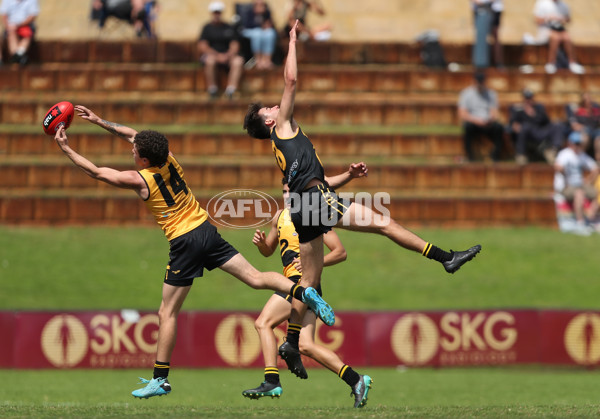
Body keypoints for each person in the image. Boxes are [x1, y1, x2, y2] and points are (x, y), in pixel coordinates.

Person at [243, 21, 482, 387]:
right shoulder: (283, 126)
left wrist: (348, 176)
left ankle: (291, 343)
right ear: (270, 121)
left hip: (309, 202)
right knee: (384, 225)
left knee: (308, 283)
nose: (275, 105)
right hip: (316, 201)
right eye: (269, 109)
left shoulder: (282, 144)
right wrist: (291, 41)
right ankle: (445, 258)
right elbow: (291, 82)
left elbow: (314, 180)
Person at [53, 105, 335, 399]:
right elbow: (133, 135)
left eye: (134, 152)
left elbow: (97, 172)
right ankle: (304, 293)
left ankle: (160, 379)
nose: (131, 152)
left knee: (167, 312)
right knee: (255, 277)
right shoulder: (170, 158)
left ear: (144, 158)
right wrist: (99, 121)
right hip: (206, 231)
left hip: (184, 243)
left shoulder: (141, 180)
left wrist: (66, 149)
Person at [242, 168, 372, 408]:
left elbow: (340, 252)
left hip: (300, 284)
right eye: (284, 191)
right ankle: (357, 380)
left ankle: (271, 380)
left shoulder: (313, 216)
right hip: (298, 289)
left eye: (293, 191)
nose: (288, 196)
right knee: (305, 346)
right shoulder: (279, 217)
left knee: (263, 323)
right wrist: (261, 245)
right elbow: (270, 250)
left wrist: (313, 261)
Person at [554, 131, 599, 235]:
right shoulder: (565, 154)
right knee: (579, 193)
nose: (577, 146)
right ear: (570, 143)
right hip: (566, 186)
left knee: (597, 193)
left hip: (580, 185)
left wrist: (588, 180)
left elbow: (595, 168)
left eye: (579, 143)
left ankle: (592, 219)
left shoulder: (581, 155)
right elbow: (558, 167)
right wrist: (566, 176)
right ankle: (580, 223)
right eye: (575, 143)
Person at [198, 1, 244, 100]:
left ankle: (231, 90)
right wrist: (217, 55)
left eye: (218, 12)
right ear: (211, 13)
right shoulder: (207, 28)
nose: (217, 14)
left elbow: (235, 45)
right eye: (215, 12)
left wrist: (228, 55)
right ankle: (212, 89)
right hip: (212, 55)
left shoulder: (228, 27)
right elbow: (203, 45)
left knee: (238, 61)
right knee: (210, 61)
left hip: (227, 56)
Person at [457, 71, 505, 162]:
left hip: (487, 123)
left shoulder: (491, 94)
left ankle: (495, 157)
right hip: (473, 122)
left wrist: (490, 119)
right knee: (467, 127)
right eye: (478, 81)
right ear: (474, 81)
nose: (480, 84)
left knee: (499, 128)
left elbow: (494, 112)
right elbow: (462, 113)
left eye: (481, 81)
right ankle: (470, 156)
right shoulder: (466, 93)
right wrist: (476, 120)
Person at [509, 88, 564, 165]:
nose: (528, 100)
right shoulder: (518, 109)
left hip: (540, 131)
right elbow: (513, 124)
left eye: (530, 98)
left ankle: (553, 151)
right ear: (524, 99)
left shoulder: (539, 108)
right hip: (528, 132)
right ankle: (521, 155)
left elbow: (546, 121)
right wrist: (516, 126)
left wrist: (534, 114)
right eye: (526, 98)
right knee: (525, 127)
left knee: (557, 125)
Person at [531, 0, 584, 74]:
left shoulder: (563, 4)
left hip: (559, 29)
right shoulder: (542, 3)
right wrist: (548, 18)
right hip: (545, 30)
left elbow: (569, 19)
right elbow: (537, 20)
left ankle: (572, 63)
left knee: (567, 37)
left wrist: (562, 19)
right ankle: (551, 63)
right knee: (556, 38)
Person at [240, 0, 277, 70]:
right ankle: (258, 60)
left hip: (262, 31)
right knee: (257, 33)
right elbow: (247, 25)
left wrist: (264, 16)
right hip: (249, 31)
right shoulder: (249, 11)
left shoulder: (266, 12)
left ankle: (267, 60)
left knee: (270, 33)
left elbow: (270, 24)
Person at [0, 0, 39, 66]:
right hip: (11, 26)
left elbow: (32, 16)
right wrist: (9, 26)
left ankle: (17, 56)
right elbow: (4, 15)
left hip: (25, 25)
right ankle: (18, 56)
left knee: (27, 34)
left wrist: (18, 25)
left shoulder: (32, 1)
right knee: (11, 34)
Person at [470, 0, 503, 69]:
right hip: (481, 10)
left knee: (494, 36)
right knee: (481, 38)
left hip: (489, 9)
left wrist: (484, 2)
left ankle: (495, 62)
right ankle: (481, 63)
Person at [568, 92, 600, 162]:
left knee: (599, 139)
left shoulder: (596, 110)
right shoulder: (578, 111)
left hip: (595, 131)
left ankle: (598, 160)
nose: (589, 100)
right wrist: (583, 128)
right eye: (586, 99)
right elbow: (574, 125)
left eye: (589, 98)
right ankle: (581, 159)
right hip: (584, 131)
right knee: (585, 138)